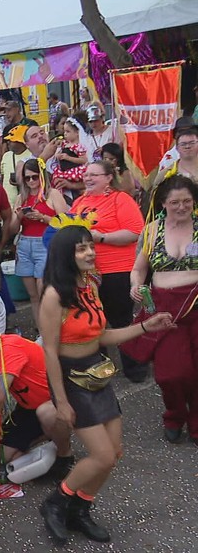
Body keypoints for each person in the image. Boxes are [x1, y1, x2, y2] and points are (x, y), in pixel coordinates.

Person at [38, 225, 175, 545]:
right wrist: (61, 401)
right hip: (72, 380)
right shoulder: (54, 295)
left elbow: (102, 336)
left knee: (113, 453)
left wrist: (146, 326)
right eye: (81, 248)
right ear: (65, 255)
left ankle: (79, 509)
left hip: (96, 373)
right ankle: (56, 503)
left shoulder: (89, 285)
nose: (90, 253)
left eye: (90, 246)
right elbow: (49, 351)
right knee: (101, 456)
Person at [128, 175, 198, 443]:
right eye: (175, 202)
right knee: (171, 374)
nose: (182, 207)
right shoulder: (152, 230)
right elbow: (138, 269)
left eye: (187, 201)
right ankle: (174, 414)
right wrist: (135, 286)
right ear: (163, 203)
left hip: (195, 307)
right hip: (164, 312)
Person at [0, 323, 73, 472]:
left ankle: (64, 454)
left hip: (55, 402)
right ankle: (45, 438)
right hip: (28, 407)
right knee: (2, 456)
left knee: (45, 414)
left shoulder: (10, 349)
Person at [69, 160, 146, 382]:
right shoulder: (79, 202)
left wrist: (101, 237)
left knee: (121, 321)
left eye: (94, 174)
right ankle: (100, 368)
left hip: (116, 271)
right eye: (86, 174)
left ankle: (135, 368)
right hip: (87, 274)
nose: (87, 178)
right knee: (93, 322)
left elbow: (136, 232)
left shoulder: (120, 199)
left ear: (109, 178)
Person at [8, 158, 67, 327]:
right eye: (27, 178)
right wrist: (19, 216)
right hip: (25, 244)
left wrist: (43, 217)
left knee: (44, 291)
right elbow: (13, 229)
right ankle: (40, 329)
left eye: (34, 177)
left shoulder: (52, 194)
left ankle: (52, 327)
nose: (31, 181)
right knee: (33, 295)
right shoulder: (22, 197)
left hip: (45, 243)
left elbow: (65, 222)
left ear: (42, 175)